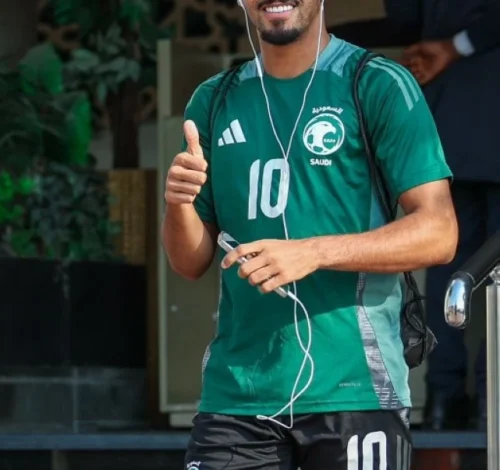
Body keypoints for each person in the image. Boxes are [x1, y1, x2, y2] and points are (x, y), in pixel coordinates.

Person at [161, 0, 459, 468]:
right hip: (237, 394)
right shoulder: (214, 98)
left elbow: (439, 231)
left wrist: (314, 252)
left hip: (356, 389)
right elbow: (188, 262)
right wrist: (179, 201)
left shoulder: (376, 83)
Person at [385, 0, 500, 432]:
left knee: (447, 264)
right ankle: (492, 400)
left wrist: (445, 41)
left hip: (447, 112)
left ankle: (442, 397)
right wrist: (458, 44)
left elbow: (403, 17)